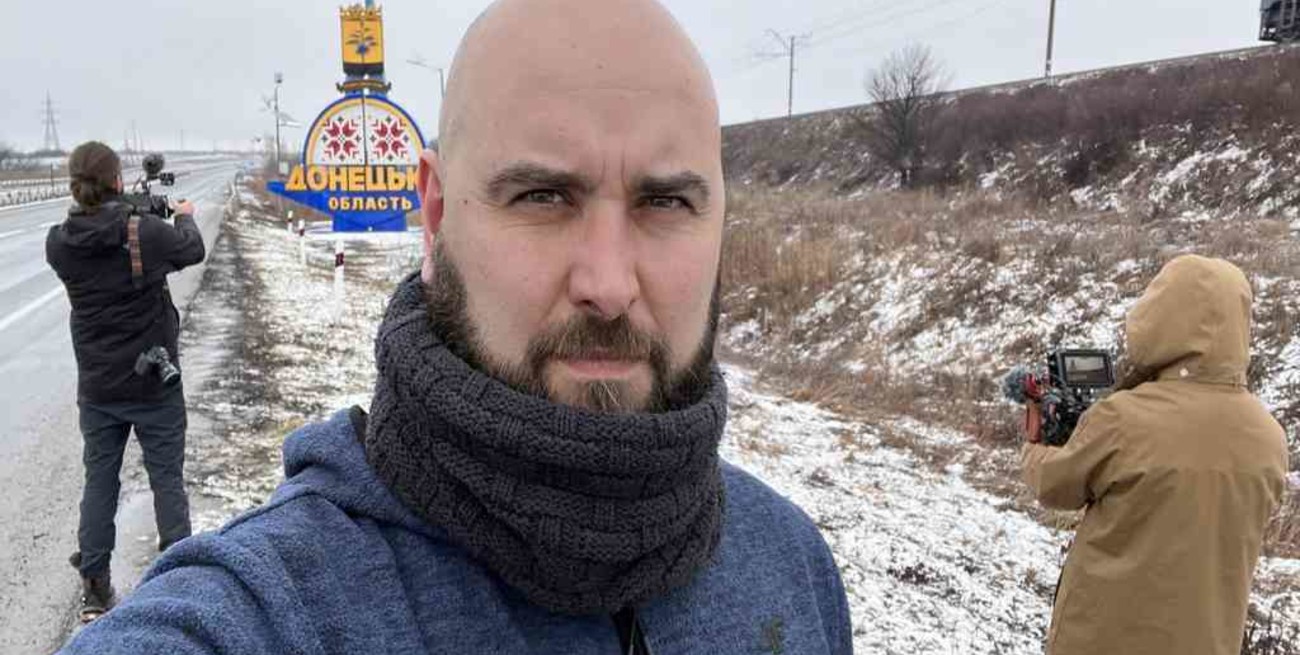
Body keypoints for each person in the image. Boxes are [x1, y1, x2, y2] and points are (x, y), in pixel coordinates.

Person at [58, 1, 852, 653]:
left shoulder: (793, 565)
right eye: (543, 196)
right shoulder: (274, 608)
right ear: (435, 218)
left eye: (666, 201)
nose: (609, 286)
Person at [1020, 254, 1289, 655]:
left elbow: (1054, 485)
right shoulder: (1269, 437)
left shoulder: (1123, 418)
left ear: (1159, 318)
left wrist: (1033, 445)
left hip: (1105, 639)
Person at [46, 141, 205, 623]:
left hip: (98, 388)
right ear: (117, 181)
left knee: (100, 481)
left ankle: (95, 587)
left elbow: (98, 240)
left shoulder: (59, 243)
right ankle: (177, 581)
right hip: (153, 381)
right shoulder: (145, 233)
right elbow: (191, 248)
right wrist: (184, 216)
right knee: (166, 479)